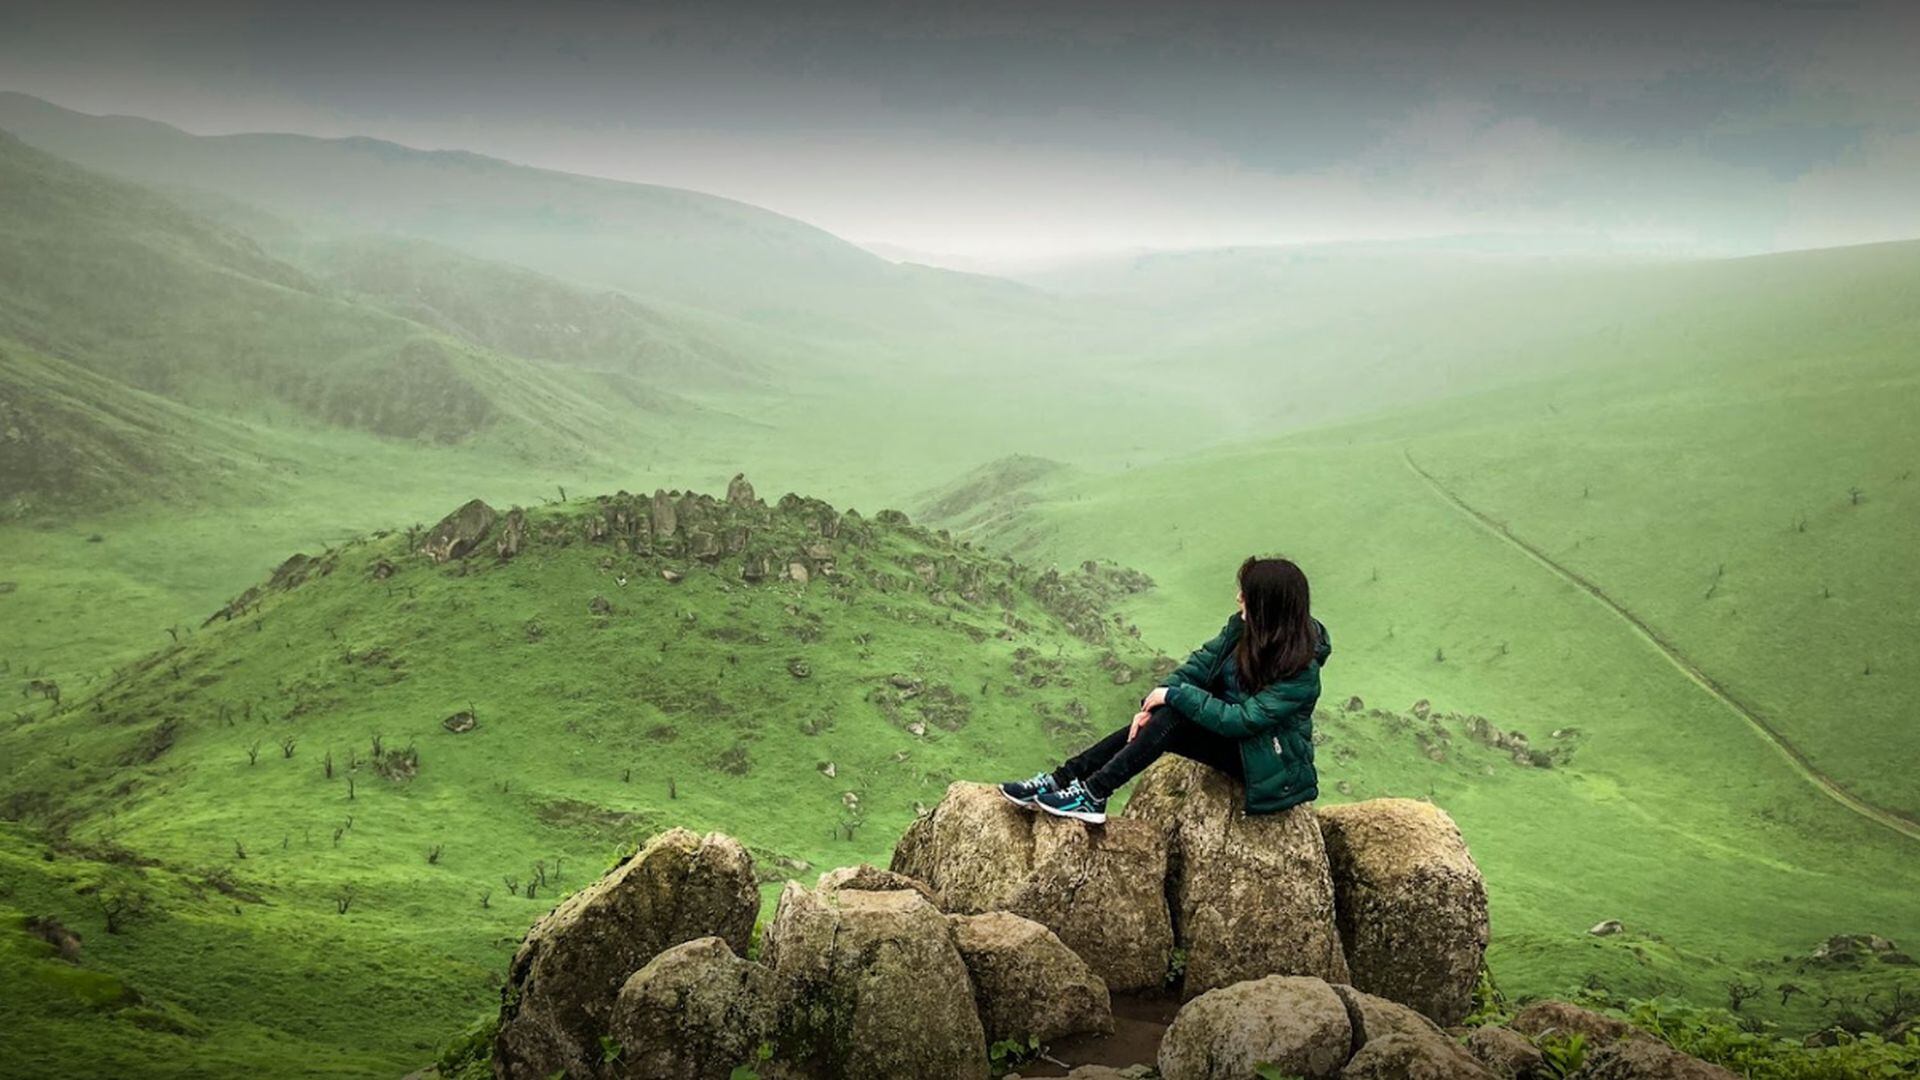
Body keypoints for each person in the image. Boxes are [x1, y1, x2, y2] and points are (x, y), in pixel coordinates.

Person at [997, 555, 1329, 824]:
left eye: (1246, 593)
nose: (1238, 598)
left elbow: (1241, 720)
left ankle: (1093, 793)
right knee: (1162, 715)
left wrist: (1173, 697)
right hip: (1233, 740)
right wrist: (1152, 704)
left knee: (1174, 716)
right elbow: (1195, 668)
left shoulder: (1301, 670)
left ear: (1268, 605)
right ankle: (1063, 780)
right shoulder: (1242, 631)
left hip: (1268, 763)